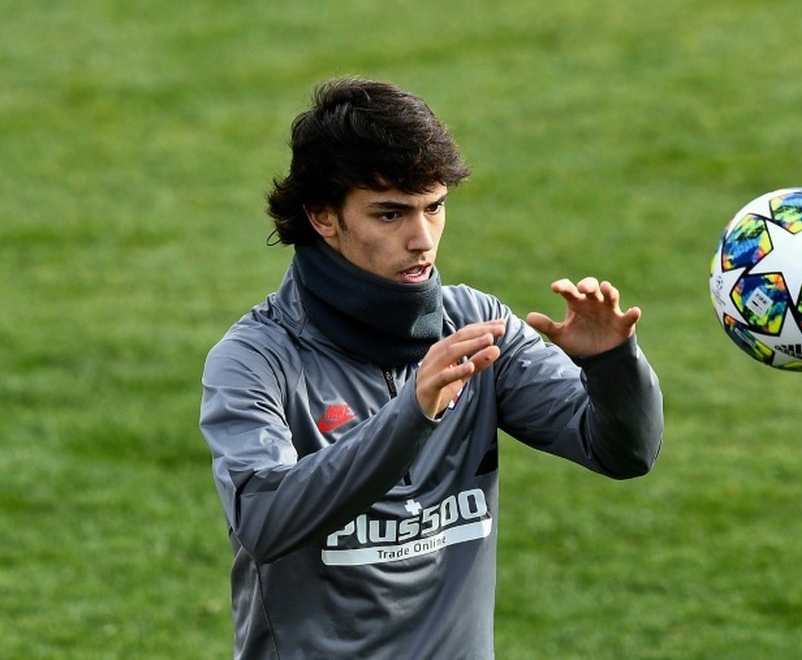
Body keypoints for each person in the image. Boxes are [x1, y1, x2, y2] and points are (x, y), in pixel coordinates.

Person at [199, 76, 664, 660]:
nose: (422, 239)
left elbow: (623, 452)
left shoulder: (478, 329)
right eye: (390, 215)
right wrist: (409, 415)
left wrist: (611, 363)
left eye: (434, 207)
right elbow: (264, 520)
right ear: (322, 215)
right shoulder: (256, 360)